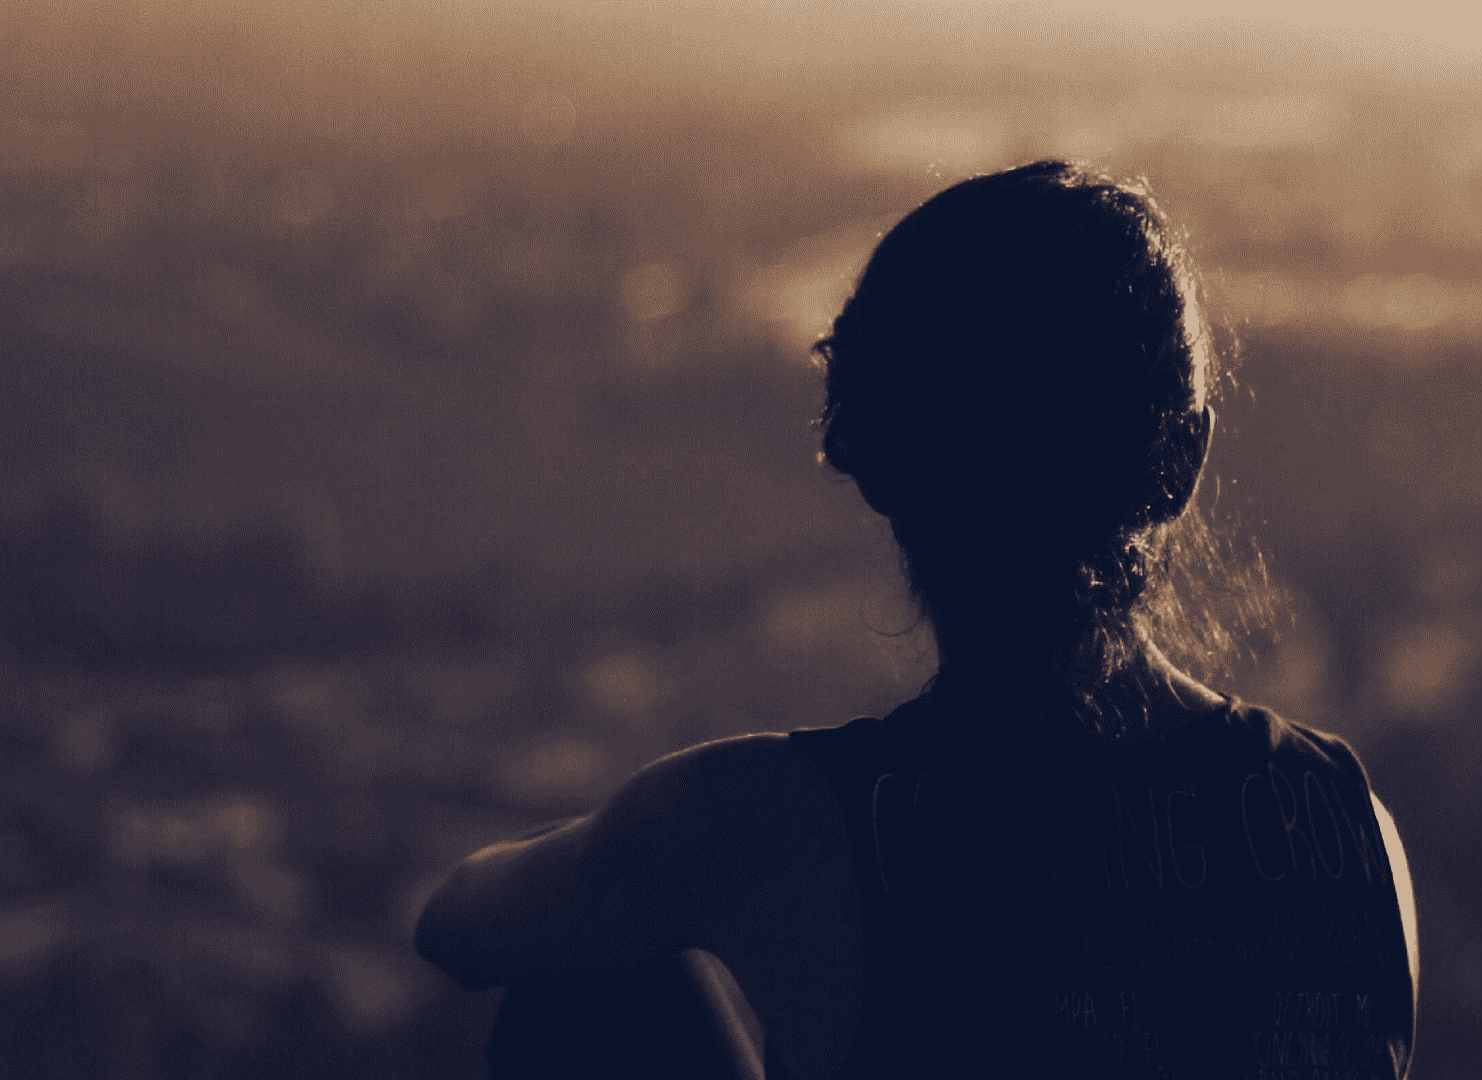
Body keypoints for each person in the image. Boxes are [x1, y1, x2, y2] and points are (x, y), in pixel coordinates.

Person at [416, 160, 1418, 1080]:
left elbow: (458, 923)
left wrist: (644, 849)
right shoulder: (1349, 829)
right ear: (1179, 464)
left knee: (592, 983)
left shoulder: (772, 827)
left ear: (874, 460)